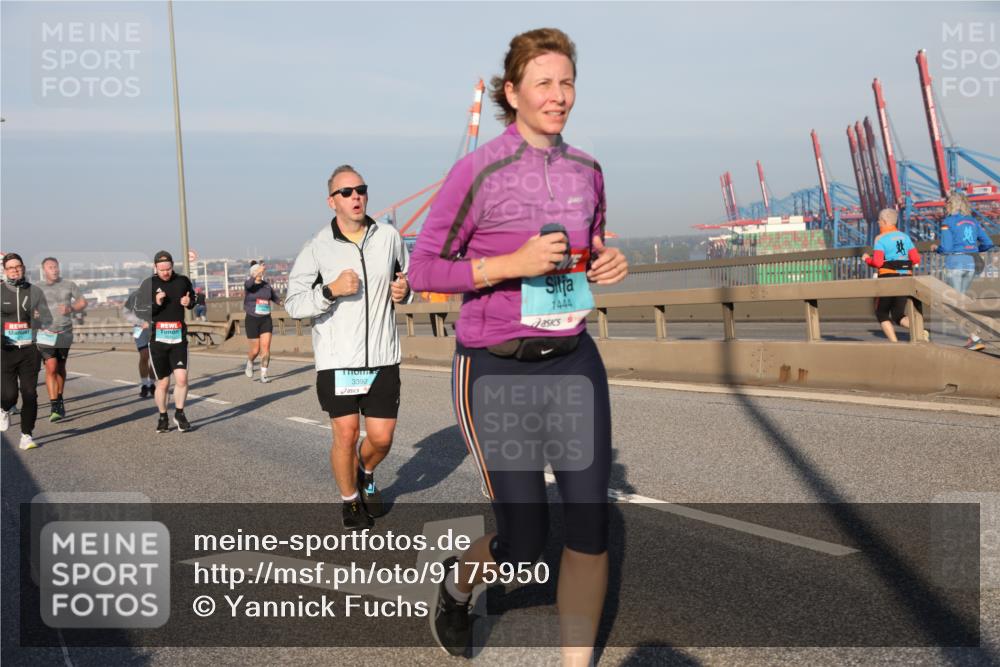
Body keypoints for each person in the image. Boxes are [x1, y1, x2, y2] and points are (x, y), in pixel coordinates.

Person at [407, 28, 629, 663]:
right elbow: (423, 270)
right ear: (512, 92)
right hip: (498, 368)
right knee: (525, 541)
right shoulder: (477, 171)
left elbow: (591, 246)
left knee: (590, 530)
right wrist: (510, 264)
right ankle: (457, 587)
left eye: (567, 83)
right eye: (544, 83)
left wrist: (608, 262)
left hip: (574, 362)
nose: (558, 96)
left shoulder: (588, 170)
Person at [285, 165, 412, 530]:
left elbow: (406, 277)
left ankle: (365, 471)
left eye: (361, 189)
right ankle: (350, 500)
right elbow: (293, 304)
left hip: (382, 356)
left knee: (381, 439)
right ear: (332, 202)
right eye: (346, 192)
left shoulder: (389, 236)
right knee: (346, 433)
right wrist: (330, 291)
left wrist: (406, 291)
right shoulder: (317, 247)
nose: (355, 196)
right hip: (338, 360)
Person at [137, 251, 196, 433]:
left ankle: (179, 413)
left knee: (182, 378)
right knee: (163, 383)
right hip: (158, 340)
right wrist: (156, 303)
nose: (165, 272)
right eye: (161, 269)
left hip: (178, 338)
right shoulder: (148, 284)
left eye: (168, 269)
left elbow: (193, 299)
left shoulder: (182, 281)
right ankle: (163, 416)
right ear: (155, 268)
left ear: (172, 266)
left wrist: (189, 302)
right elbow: (140, 311)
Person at [1, 253, 53, 450]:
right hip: (5, 350)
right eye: (11, 267)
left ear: (23, 268)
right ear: (5, 271)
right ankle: (4, 408)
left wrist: (40, 318)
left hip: (30, 350)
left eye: (18, 266)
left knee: (30, 393)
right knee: (9, 395)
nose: (15, 270)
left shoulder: (35, 291)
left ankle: (26, 435)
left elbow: (47, 319)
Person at [934, 190, 995, 351]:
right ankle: (973, 337)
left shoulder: (948, 222)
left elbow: (946, 248)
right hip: (970, 264)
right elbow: (988, 243)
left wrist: (936, 249)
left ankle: (975, 337)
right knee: (961, 301)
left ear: (950, 205)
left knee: (954, 304)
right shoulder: (973, 221)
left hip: (955, 263)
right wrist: (973, 250)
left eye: (947, 204)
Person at [862, 208, 926, 343]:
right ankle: (921, 331)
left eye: (879, 221)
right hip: (905, 278)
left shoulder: (880, 239)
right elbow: (916, 259)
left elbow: (878, 263)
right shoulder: (905, 237)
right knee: (898, 314)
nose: (878, 223)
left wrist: (867, 259)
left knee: (882, 313)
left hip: (888, 278)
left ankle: (894, 344)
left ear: (885, 221)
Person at [36, 257, 87, 421]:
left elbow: (82, 302)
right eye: (50, 267)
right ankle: (54, 405)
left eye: (56, 266)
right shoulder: (37, 287)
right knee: (51, 367)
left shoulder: (69, 284)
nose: (54, 269)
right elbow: (28, 307)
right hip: (45, 333)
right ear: (44, 270)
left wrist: (71, 308)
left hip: (64, 332)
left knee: (60, 367)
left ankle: (59, 396)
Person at [243, 262, 281, 383]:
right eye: (257, 272)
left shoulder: (266, 286)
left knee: (266, 348)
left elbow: (274, 297)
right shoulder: (249, 285)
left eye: (260, 272)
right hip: (252, 319)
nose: (260, 273)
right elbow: (249, 283)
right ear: (253, 273)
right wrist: (258, 270)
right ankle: (250, 362)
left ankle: (264, 374)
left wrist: (282, 303)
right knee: (255, 350)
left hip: (265, 319)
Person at [123, 287, 155, 397]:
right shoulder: (135, 295)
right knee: (144, 355)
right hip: (139, 328)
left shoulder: (158, 293)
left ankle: (152, 384)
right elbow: (126, 312)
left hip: (155, 328)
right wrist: (140, 322)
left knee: (154, 357)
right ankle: (144, 384)